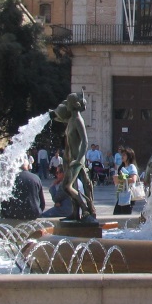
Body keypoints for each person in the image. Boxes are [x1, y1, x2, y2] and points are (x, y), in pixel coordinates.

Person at [51, 91, 97, 223]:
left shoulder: (78, 120)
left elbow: (85, 141)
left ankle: (85, 209)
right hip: (70, 158)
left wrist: (78, 159)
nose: (66, 104)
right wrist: (52, 114)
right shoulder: (71, 119)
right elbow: (59, 117)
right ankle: (75, 213)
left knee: (67, 186)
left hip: (77, 159)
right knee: (75, 187)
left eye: (68, 103)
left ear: (73, 105)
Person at [113, 147, 139, 215]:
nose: (122, 156)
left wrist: (122, 179)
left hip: (129, 194)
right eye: (122, 155)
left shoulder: (132, 167)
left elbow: (133, 179)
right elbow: (118, 181)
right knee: (117, 213)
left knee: (125, 214)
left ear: (129, 156)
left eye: (124, 155)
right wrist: (116, 179)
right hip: (122, 193)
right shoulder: (122, 167)